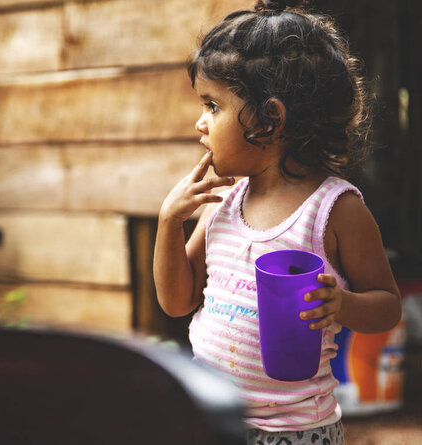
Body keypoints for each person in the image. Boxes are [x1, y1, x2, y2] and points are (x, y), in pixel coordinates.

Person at [153, 0, 402, 444]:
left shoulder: (334, 210)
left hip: (295, 432)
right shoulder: (221, 204)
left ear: (270, 120)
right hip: (215, 422)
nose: (200, 123)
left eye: (213, 106)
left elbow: (387, 305)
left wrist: (341, 305)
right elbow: (177, 301)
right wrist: (169, 224)